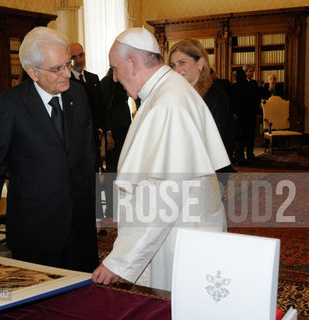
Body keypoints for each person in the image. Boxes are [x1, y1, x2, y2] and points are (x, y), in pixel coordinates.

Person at [92, 27, 230, 291]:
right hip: (185, 226)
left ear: (132, 63)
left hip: (179, 235)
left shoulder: (167, 103)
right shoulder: (168, 91)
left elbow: (161, 195)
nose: (115, 77)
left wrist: (118, 261)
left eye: (115, 68)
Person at [0, 27, 99, 273]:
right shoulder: (8, 106)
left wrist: (101, 211)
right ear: (33, 72)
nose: (68, 73)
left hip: (81, 228)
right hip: (37, 231)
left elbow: (89, 158)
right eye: (57, 68)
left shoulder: (78, 95)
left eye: (67, 64)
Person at [168, 39, 233, 165]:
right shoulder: (176, 95)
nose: (176, 70)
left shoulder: (216, 97)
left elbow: (215, 143)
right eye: (172, 65)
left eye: (182, 62)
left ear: (200, 62)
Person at [100, 67, 132, 219]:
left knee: (125, 169)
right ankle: (111, 209)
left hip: (125, 129)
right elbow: (104, 109)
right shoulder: (106, 83)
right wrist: (109, 133)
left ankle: (123, 206)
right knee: (111, 171)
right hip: (113, 132)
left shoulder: (123, 81)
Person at [68, 42, 105, 172]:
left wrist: (101, 129)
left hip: (94, 137)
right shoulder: (66, 82)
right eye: (74, 57)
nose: (79, 60)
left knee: (94, 172)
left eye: (81, 55)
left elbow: (101, 106)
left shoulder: (93, 78)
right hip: (76, 139)